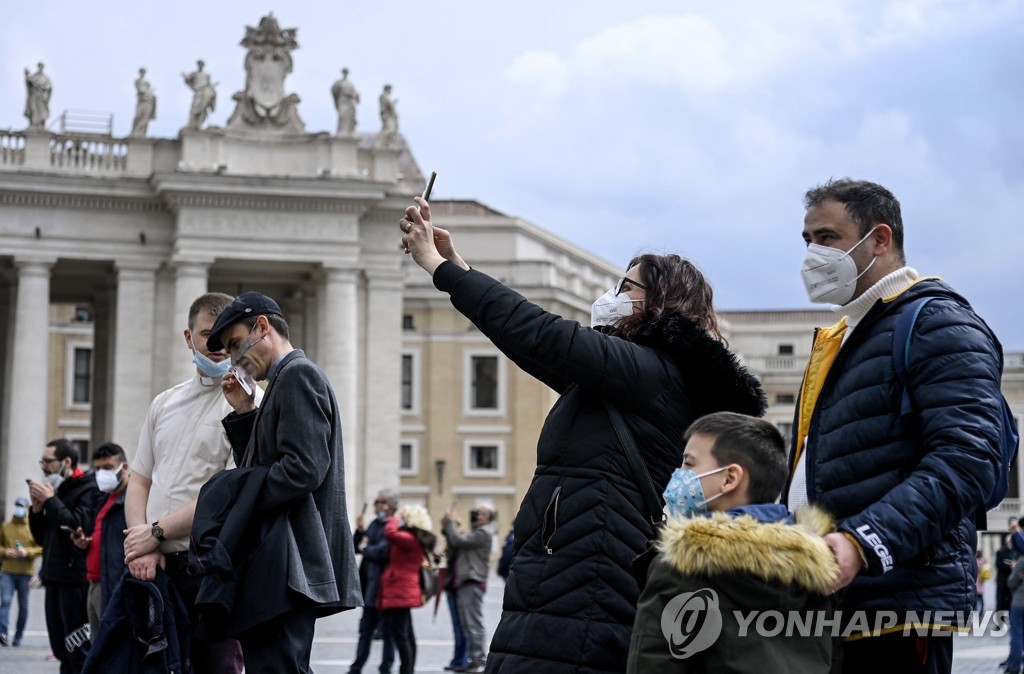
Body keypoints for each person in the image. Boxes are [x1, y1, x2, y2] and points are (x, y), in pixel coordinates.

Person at [400, 197, 767, 672]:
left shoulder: (649, 372)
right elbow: (533, 348)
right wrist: (457, 266)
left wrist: (436, 267)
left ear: (658, 303)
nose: (611, 294)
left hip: (587, 577)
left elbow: (539, 331)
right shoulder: (635, 379)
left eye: (625, 286)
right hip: (578, 569)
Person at [788, 178, 1005, 673]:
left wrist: (865, 541)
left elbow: (967, 460)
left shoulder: (936, 323)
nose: (812, 255)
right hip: (839, 601)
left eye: (826, 238)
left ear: (879, 240)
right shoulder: (846, 337)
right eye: (807, 241)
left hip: (898, 607)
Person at [206, 290, 362, 673]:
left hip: (286, 563)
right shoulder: (281, 382)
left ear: (263, 326)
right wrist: (244, 413)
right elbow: (264, 466)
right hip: (281, 563)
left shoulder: (297, 375)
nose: (234, 358)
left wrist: (236, 494)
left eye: (236, 344)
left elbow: (303, 470)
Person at [627, 412, 838, 672]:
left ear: (729, 478)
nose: (678, 475)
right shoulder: (820, 572)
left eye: (689, 464)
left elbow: (654, 664)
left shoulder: (682, 565)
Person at [123, 292, 254, 673]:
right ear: (188, 337)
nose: (216, 347)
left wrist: (155, 533)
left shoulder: (250, 406)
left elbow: (227, 496)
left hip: (209, 572)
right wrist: (141, 544)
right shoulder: (163, 402)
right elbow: (139, 479)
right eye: (207, 336)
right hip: (156, 566)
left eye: (225, 337)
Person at [28, 439, 104, 673]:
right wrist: (37, 510)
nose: (43, 467)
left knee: (76, 647)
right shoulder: (57, 491)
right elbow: (42, 538)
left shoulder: (87, 488)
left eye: (48, 462)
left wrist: (51, 501)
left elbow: (77, 524)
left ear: (66, 462)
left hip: (74, 579)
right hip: (53, 577)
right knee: (61, 648)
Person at [72, 442, 129, 639]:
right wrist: (84, 544)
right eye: (97, 469)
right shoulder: (103, 500)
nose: (101, 474)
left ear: (125, 467)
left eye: (108, 468)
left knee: (112, 648)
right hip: (94, 582)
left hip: (114, 585)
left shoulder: (131, 501)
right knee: (97, 648)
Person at [380, 504, 436, 674]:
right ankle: (408, 668)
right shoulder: (414, 537)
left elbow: (390, 533)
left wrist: (393, 517)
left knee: (401, 635)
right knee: (406, 633)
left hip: (401, 589)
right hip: (402, 588)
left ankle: (406, 669)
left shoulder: (409, 538)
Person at [441, 504, 495, 673]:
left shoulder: (483, 532)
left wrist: (450, 522)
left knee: (473, 623)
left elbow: (458, 540)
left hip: (473, 580)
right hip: (466, 581)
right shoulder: (477, 532)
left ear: (488, 517)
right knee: (467, 624)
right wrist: (448, 526)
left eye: (482, 512)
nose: (477, 513)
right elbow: (455, 541)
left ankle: (479, 660)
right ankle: (473, 660)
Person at [349, 489, 397, 674]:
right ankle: (356, 667)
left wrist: (366, 547)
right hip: (370, 587)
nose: (375, 504)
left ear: (387, 505)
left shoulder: (392, 526)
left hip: (385, 587)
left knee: (388, 632)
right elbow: (358, 548)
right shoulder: (375, 524)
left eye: (378, 501)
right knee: (365, 630)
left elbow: (381, 550)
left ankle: (386, 668)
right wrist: (360, 531)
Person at [0, 496, 42, 646]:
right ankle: (2, 633)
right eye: (17, 505)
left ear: (26, 508)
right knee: (5, 602)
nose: (19, 508)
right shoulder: (6, 527)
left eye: (22, 506)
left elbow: (40, 548)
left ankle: (18, 636)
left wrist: (27, 552)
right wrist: (5, 552)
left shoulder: (32, 526)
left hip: (26, 572)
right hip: (8, 571)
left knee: (23, 606)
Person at [183, 59, 216, 130]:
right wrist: (186, 78)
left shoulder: (207, 75)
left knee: (203, 109)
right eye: (199, 64)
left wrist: (212, 90)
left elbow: (209, 84)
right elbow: (187, 81)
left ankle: (199, 124)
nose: (200, 66)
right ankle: (191, 124)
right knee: (195, 108)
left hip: (206, 91)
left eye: (202, 64)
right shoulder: (194, 74)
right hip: (198, 92)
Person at [1006, 560, 1024, 674]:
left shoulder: (1022, 560)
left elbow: (1012, 583)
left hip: (1020, 603)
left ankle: (1014, 666)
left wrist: (1015, 570)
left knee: (1017, 635)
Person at [332, 67, 360, 136]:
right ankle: (342, 131)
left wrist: (356, 96)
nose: (345, 74)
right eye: (344, 72)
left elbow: (356, 95)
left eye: (346, 72)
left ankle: (350, 132)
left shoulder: (351, 84)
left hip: (350, 102)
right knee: (342, 115)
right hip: (343, 100)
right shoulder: (339, 82)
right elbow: (334, 91)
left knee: (350, 117)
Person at [24, 62, 52, 129]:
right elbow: (28, 81)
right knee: (33, 108)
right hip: (34, 96)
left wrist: (41, 87)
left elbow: (49, 87)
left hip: (42, 98)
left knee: (42, 111)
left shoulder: (46, 78)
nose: (40, 68)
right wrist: (26, 75)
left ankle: (41, 124)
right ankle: (34, 124)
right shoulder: (34, 76)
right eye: (39, 66)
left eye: (41, 66)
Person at [130, 67, 156, 137]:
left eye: (144, 72)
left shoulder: (147, 85)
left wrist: (150, 93)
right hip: (142, 101)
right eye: (141, 72)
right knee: (138, 116)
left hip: (148, 102)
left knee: (145, 118)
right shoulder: (138, 81)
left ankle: (142, 133)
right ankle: (135, 132)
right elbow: (140, 90)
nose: (142, 73)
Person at [1000, 533, 1020, 613]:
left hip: (1015, 582)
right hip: (1005, 581)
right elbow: (999, 564)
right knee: (1002, 603)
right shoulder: (1001, 552)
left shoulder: (1017, 552)